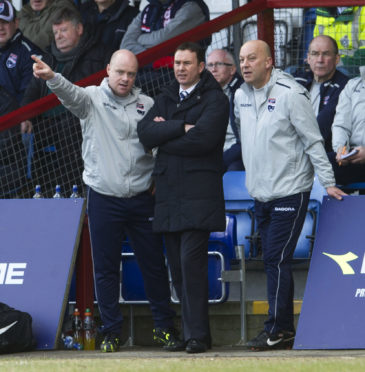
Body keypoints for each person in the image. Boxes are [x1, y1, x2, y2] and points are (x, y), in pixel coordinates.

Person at [31, 49, 177, 352]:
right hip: (103, 197)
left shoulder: (146, 105)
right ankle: (111, 332)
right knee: (106, 269)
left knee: (153, 267)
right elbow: (69, 94)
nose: (125, 79)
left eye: (131, 74)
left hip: (141, 198)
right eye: (120, 72)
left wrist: (158, 178)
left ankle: (165, 328)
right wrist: (52, 78)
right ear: (108, 70)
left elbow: (162, 146)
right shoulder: (91, 98)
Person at [235, 39, 346, 351]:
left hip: (290, 191)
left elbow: (313, 142)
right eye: (241, 58)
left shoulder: (291, 95)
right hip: (260, 193)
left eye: (252, 58)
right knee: (275, 260)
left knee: (276, 257)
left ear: (269, 62)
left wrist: (327, 182)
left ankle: (277, 327)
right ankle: (283, 328)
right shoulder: (240, 95)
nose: (244, 64)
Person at [137, 42, 229, 353]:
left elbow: (204, 141)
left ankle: (198, 337)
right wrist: (180, 128)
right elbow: (145, 133)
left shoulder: (216, 98)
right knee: (177, 268)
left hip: (199, 194)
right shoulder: (166, 95)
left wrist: (166, 137)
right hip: (169, 195)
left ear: (201, 66)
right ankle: (191, 334)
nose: (180, 68)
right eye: (177, 63)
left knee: (191, 268)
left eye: (187, 63)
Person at [21, 7, 110, 196]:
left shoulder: (98, 54)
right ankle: (37, 191)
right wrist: (26, 117)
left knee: (67, 128)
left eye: (63, 30)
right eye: (55, 32)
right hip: (47, 124)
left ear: (79, 29)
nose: (58, 36)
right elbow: (32, 91)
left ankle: (73, 190)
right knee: (22, 134)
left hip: (81, 122)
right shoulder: (47, 58)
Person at [121, 0, 210, 97]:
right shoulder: (149, 9)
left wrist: (139, 39)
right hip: (145, 75)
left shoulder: (192, 7)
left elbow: (161, 41)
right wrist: (153, 55)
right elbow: (125, 45)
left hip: (177, 79)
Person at [293, 35, 349, 152]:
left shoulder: (345, 86)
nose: (320, 60)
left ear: (337, 59)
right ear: (308, 58)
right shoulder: (296, 81)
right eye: (314, 54)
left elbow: (323, 126)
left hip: (324, 155)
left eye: (326, 54)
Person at [206, 49, 244, 171]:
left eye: (219, 64)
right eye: (210, 65)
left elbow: (245, 142)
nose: (213, 69)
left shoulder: (243, 91)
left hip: (237, 154)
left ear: (232, 69)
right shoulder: (203, 92)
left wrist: (219, 162)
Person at [0, 0, 43, 105]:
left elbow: (26, 99)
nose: (0, 28)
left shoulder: (31, 54)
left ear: (16, 23)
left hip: (15, 118)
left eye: (5, 22)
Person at [330, 66, 365, 186]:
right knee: (321, 163)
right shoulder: (353, 86)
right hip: (353, 155)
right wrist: (341, 149)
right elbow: (341, 125)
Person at [313, 6, 365, 76]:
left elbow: (363, 53)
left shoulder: (362, 9)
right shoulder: (322, 10)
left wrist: (341, 62)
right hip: (326, 64)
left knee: (337, 74)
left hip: (353, 66)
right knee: (295, 70)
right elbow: (315, 47)